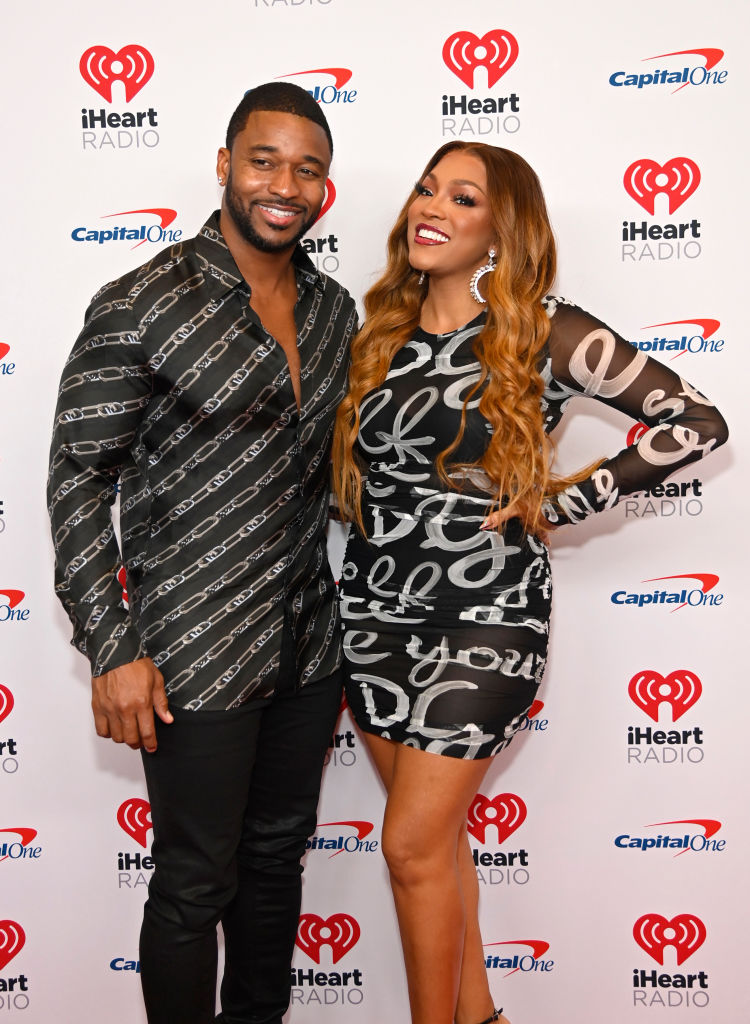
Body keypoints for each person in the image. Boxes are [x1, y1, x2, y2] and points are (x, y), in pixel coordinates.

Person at [332, 141, 728, 1024]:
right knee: (432, 850)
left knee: (407, 847)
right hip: (372, 620)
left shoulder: (544, 330)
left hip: (486, 619)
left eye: (462, 198)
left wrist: (567, 498)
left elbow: (696, 421)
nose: (430, 207)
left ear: (500, 231)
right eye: (426, 189)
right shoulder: (376, 335)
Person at [48, 82, 357, 1024]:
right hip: (190, 651)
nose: (285, 184)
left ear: (324, 190)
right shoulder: (141, 301)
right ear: (225, 165)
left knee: (275, 865)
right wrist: (112, 648)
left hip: (308, 643)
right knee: (193, 886)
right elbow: (74, 482)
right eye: (265, 160)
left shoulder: (334, 309)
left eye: (308, 169)